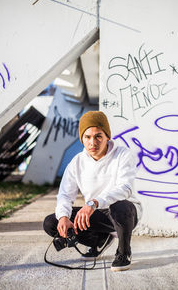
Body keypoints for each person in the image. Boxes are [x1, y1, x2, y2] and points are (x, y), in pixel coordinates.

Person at [43, 111, 142, 272]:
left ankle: (124, 252)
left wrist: (93, 203)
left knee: (120, 206)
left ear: (107, 137)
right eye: (87, 137)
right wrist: (63, 217)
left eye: (98, 136)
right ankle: (98, 240)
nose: (92, 142)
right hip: (95, 214)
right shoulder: (77, 162)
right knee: (51, 223)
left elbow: (125, 188)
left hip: (124, 213)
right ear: (82, 138)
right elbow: (65, 195)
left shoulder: (122, 154)